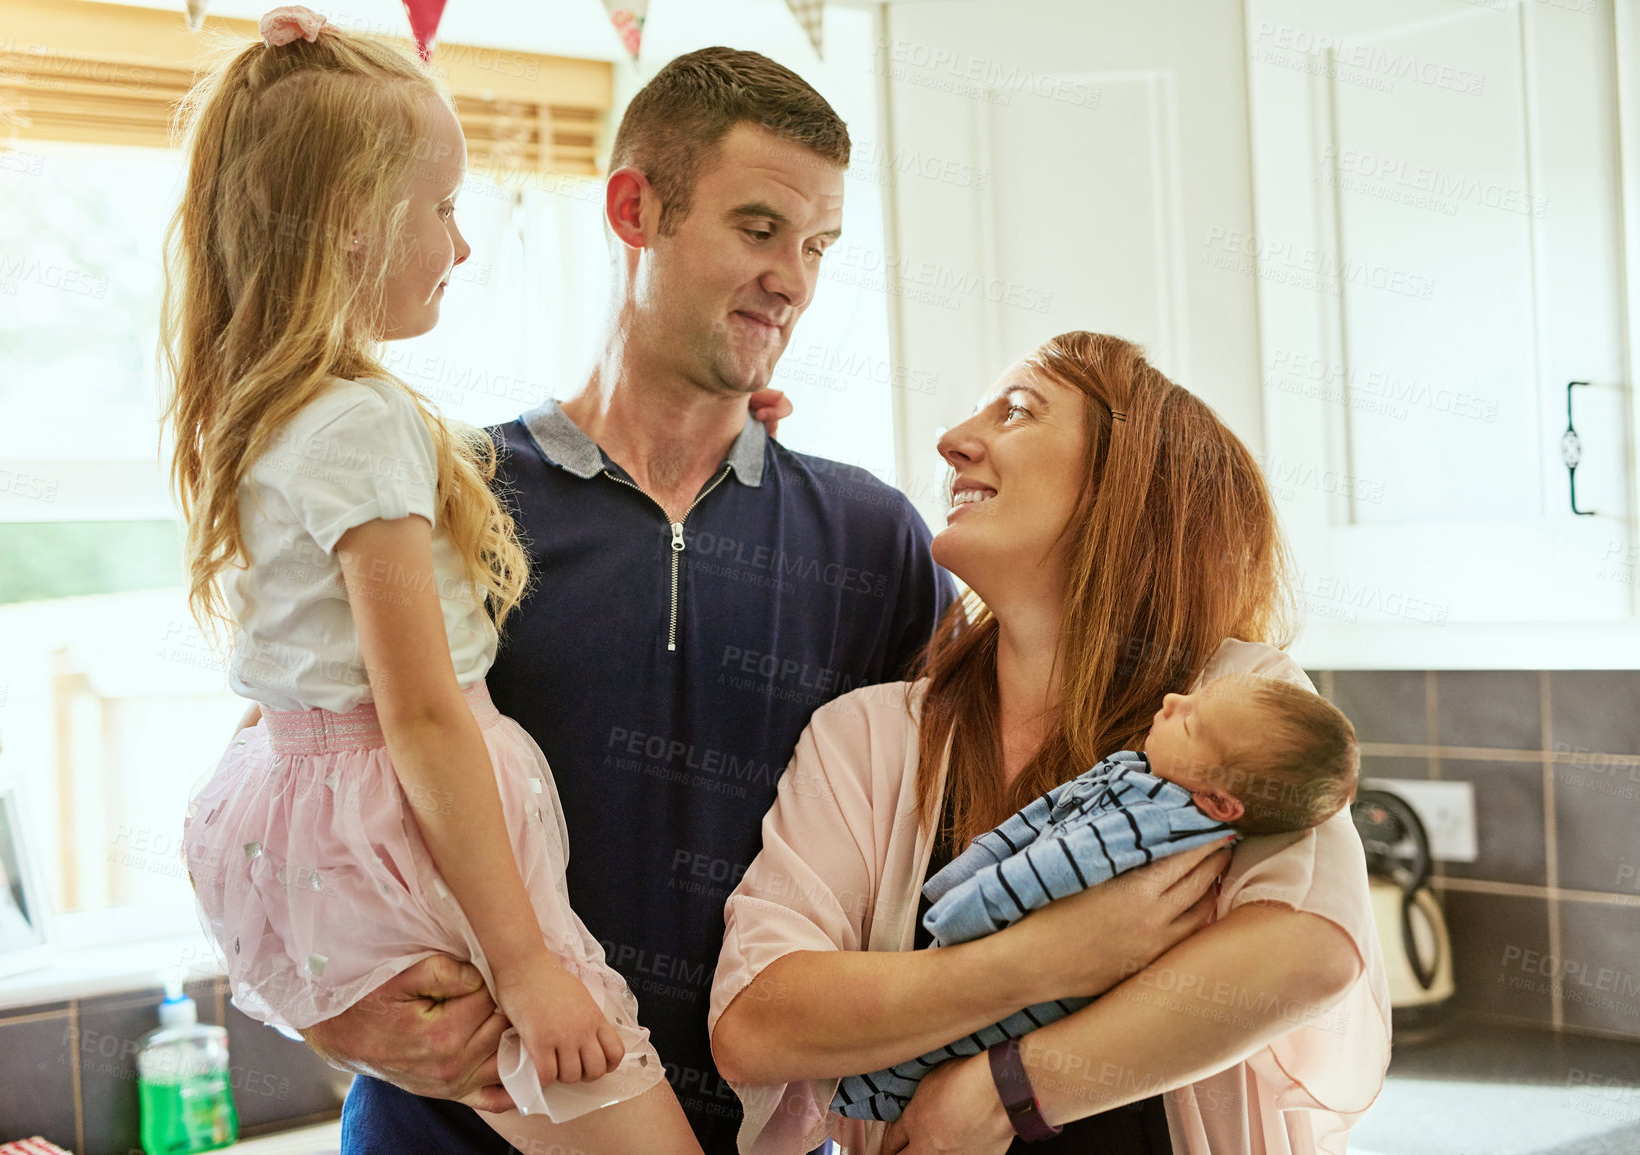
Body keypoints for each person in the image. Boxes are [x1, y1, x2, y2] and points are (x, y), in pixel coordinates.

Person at [295, 47, 960, 1154]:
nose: (793, 279)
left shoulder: (870, 539)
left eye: (818, 247)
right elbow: (293, 795)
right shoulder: (440, 498)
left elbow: (969, 823)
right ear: (634, 208)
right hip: (447, 1131)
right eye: (759, 229)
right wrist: (334, 1011)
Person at [167, 10, 698, 1151]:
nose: (461, 247)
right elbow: (419, 713)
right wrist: (528, 966)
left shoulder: (266, 410)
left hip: (309, 817)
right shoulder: (363, 422)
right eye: (444, 209)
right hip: (413, 836)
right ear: (354, 224)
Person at [710, 332, 1391, 1155]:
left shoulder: (1237, 696)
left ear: (1128, 482)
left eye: (1018, 411)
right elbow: (755, 1021)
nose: (953, 439)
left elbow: (1308, 951)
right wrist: (1046, 959)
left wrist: (1000, 1093)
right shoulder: (867, 735)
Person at [833, 674, 1361, 1122]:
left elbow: (1058, 865)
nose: (1175, 702)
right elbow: (1036, 822)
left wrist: (961, 912)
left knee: (948, 1043)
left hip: (1023, 966)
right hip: (1000, 939)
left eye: (1191, 723)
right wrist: (962, 878)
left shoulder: (1159, 824)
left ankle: (861, 1090)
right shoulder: (1140, 776)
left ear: (1219, 800)